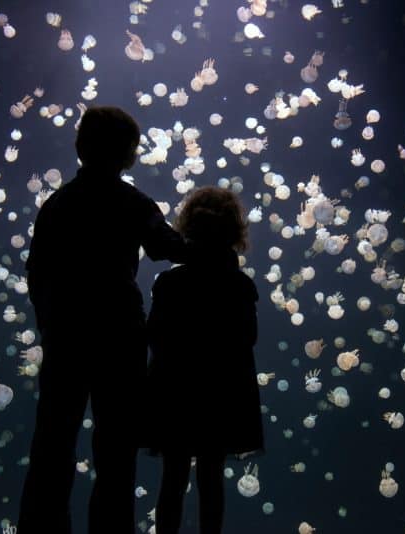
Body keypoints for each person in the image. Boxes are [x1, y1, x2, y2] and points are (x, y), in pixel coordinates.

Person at [18, 106, 189, 534]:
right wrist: (214, 242)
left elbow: (36, 272)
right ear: (130, 154)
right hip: (119, 334)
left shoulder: (57, 205)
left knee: (53, 444)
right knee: (116, 450)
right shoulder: (132, 203)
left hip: (66, 334)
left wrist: (49, 323)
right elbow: (170, 245)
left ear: (81, 146)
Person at [145, 186, 265, 534]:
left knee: (173, 475)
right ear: (234, 232)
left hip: (176, 389)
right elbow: (248, 338)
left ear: (188, 228)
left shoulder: (170, 282)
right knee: (211, 475)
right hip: (221, 391)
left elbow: (155, 335)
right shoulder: (239, 285)